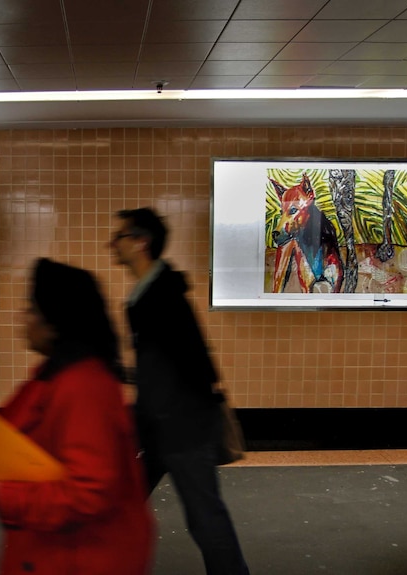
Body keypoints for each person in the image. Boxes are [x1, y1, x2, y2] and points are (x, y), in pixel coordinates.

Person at [0, 257, 154, 575]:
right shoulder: (62, 374)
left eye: (30, 308)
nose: (22, 317)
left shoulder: (83, 387)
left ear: (53, 319)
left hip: (81, 557)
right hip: (63, 551)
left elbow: (88, 493)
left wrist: (3, 492)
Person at [110, 207, 251, 575]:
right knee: (125, 504)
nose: (113, 243)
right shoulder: (147, 293)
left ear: (141, 242)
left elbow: (190, 360)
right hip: (164, 424)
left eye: (121, 236)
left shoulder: (161, 295)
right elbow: (164, 363)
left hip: (182, 426)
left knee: (205, 518)